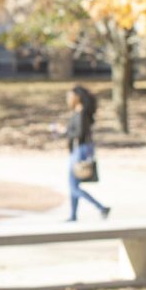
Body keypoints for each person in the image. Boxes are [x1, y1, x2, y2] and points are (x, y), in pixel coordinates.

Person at [53, 85, 110, 222]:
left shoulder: (81, 113)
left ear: (77, 97)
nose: (68, 99)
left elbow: (79, 133)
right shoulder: (80, 112)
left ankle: (101, 207)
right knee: (73, 185)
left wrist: (63, 131)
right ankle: (73, 215)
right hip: (81, 150)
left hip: (80, 151)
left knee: (73, 186)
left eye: (69, 96)